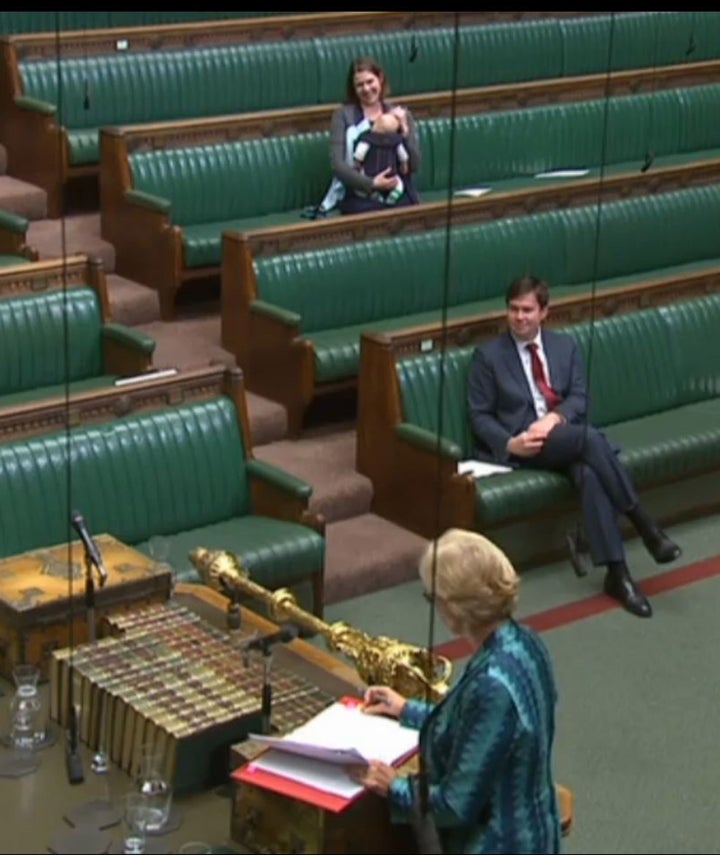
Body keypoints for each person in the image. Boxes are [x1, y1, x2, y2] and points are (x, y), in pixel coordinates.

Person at [466, 273, 681, 618]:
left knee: (589, 473)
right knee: (590, 440)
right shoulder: (488, 356)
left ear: (544, 312)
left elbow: (579, 398)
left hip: (562, 438)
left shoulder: (564, 346)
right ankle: (642, 522)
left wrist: (554, 419)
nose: (519, 317)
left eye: (527, 310)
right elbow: (479, 417)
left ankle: (618, 573)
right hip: (523, 447)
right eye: (513, 310)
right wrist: (511, 443)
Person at [348, 528, 561, 854]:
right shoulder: (524, 642)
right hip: (534, 824)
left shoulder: (491, 684)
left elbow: (455, 806)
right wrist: (407, 709)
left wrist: (395, 786)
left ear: (451, 606)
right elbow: (478, 725)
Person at [319, 56, 421, 215]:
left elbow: (414, 165)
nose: (366, 89)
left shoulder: (400, 115)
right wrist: (372, 183)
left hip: (399, 192)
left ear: (380, 78)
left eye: (370, 81)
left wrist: (405, 132)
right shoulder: (343, 115)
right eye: (359, 85)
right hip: (360, 195)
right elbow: (338, 166)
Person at [352, 111, 410, 206]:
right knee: (399, 185)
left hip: (370, 174)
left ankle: (374, 194)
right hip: (391, 175)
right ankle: (392, 197)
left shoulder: (367, 140)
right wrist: (404, 166)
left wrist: (357, 166)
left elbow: (359, 156)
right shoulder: (396, 142)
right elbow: (403, 157)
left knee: (360, 187)